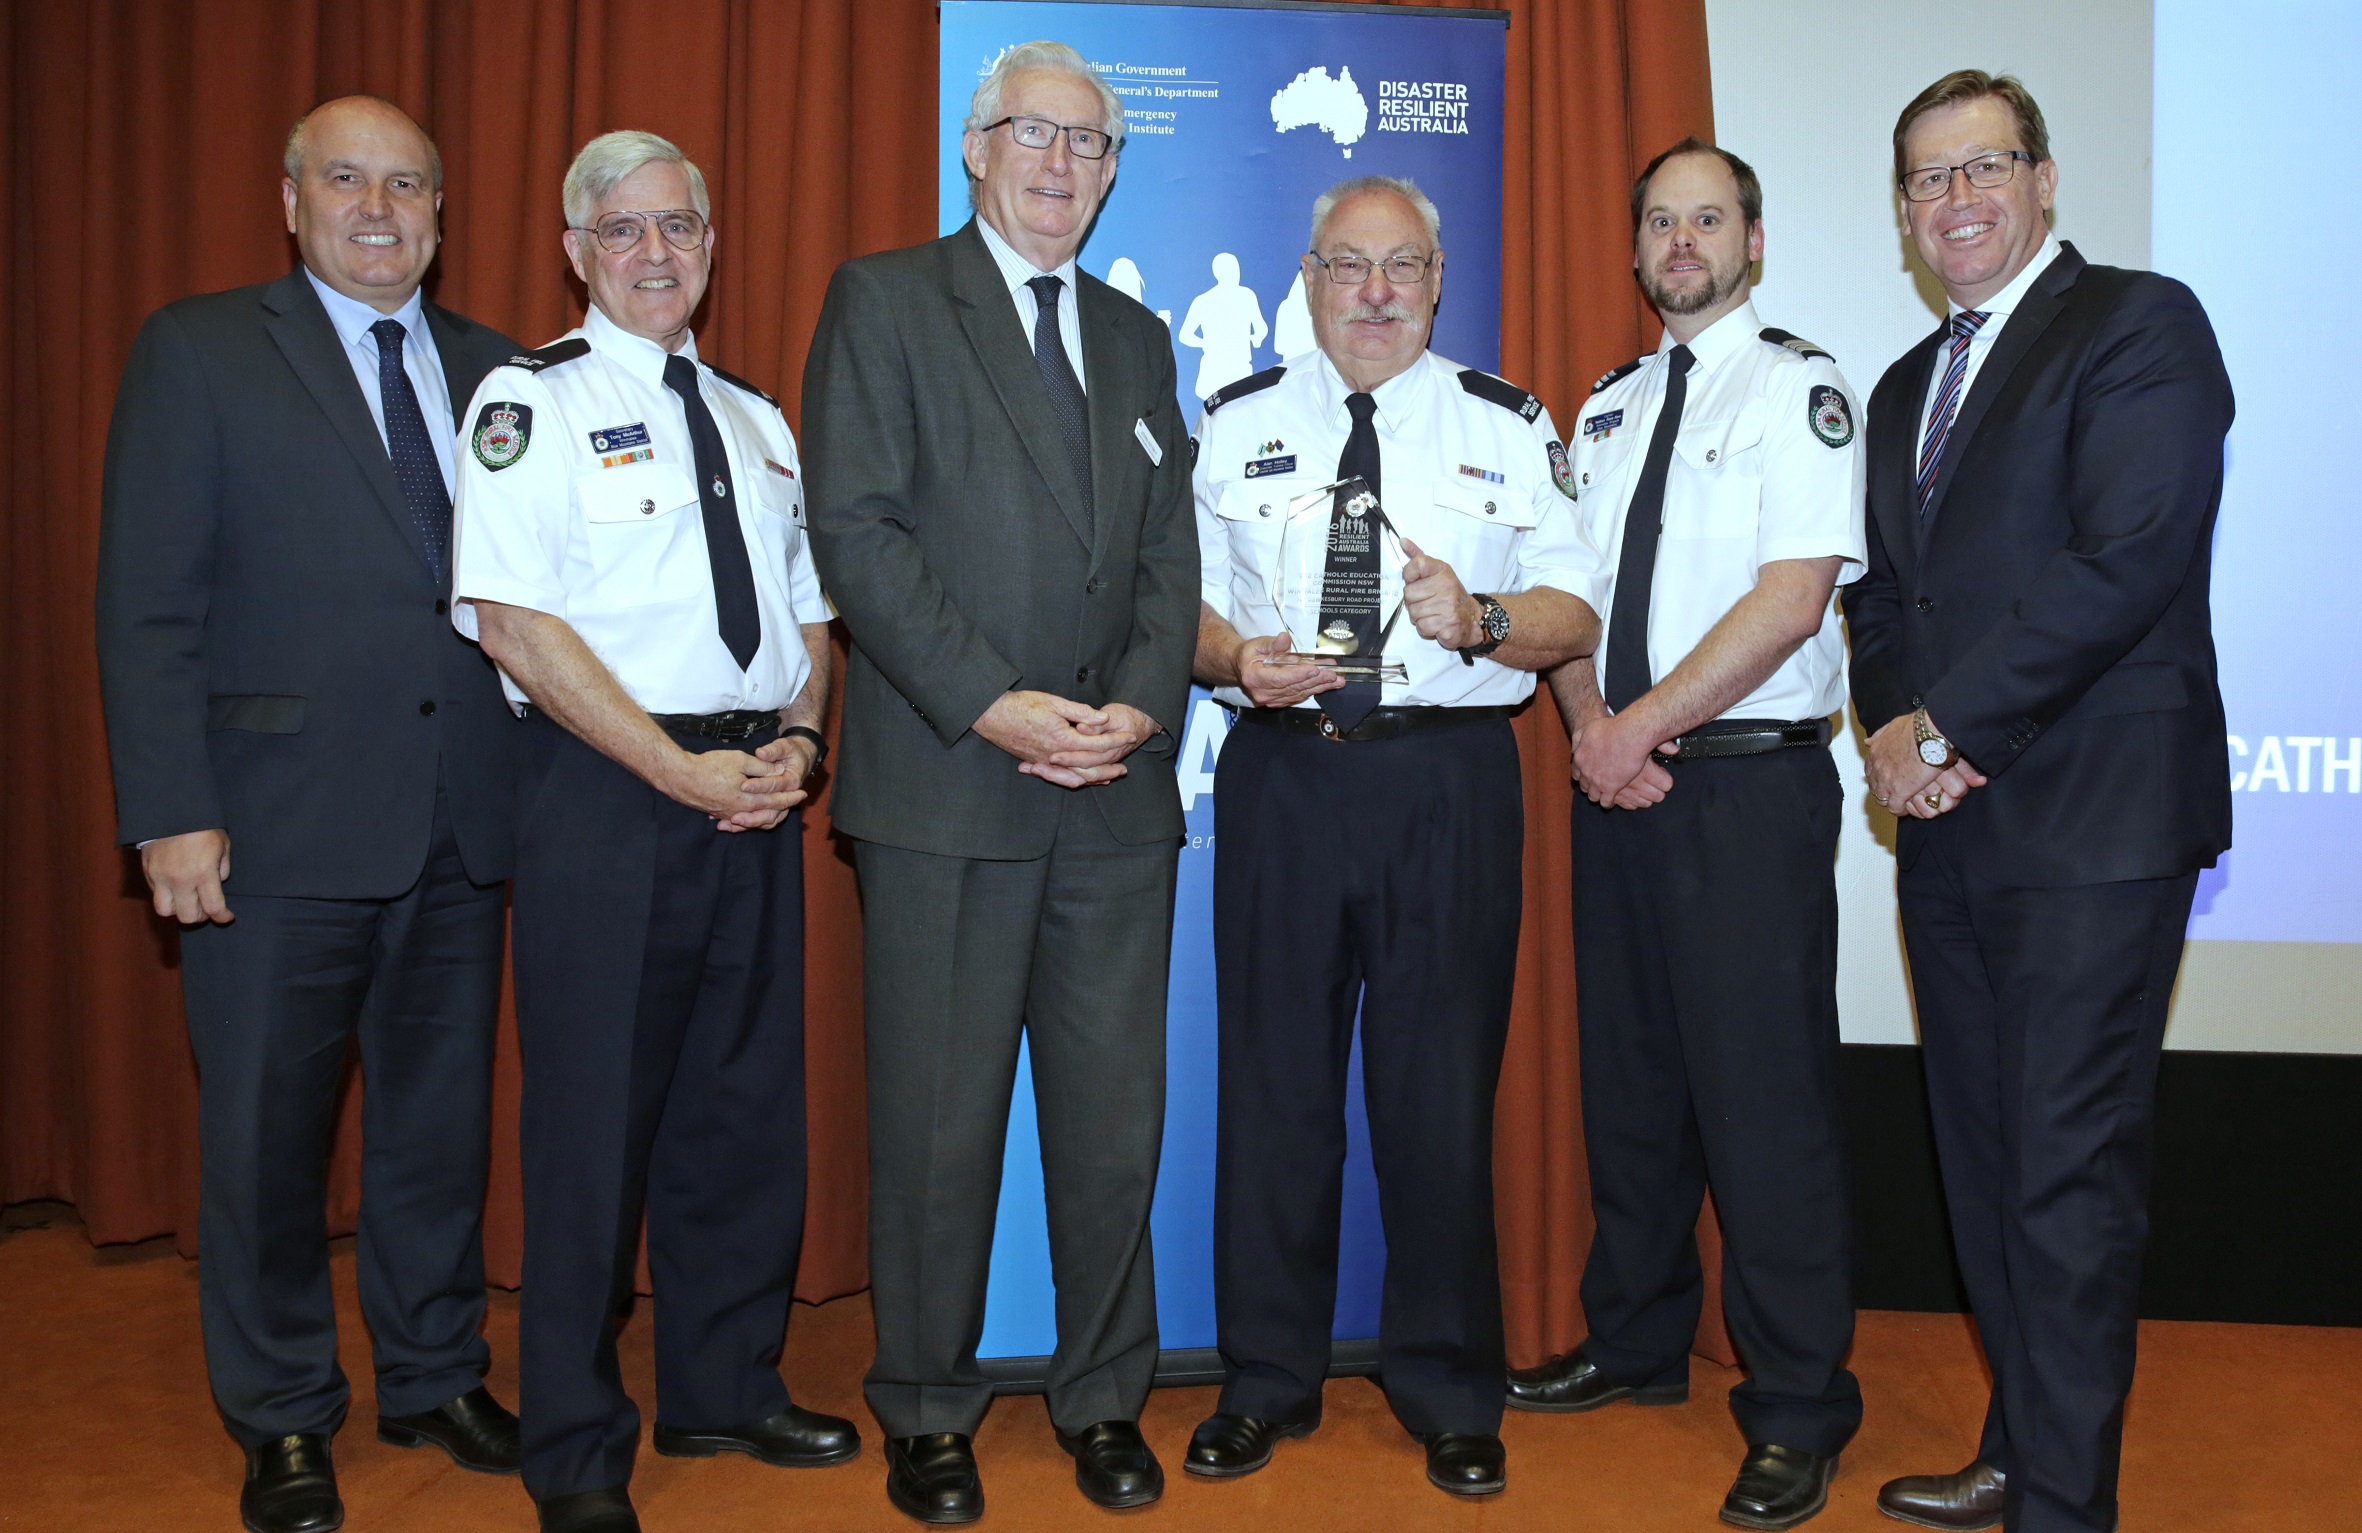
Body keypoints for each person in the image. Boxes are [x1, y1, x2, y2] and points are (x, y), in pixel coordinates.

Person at [94, 95, 523, 1533]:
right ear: (291, 200)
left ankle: (432, 1370)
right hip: (267, 834)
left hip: (462, 826)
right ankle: (281, 1412)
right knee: (266, 1144)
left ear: (442, 213)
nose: (380, 208)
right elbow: (146, 604)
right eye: (347, 179)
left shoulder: (499, 372)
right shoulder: (201, 349)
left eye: (409, 184)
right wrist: (168, 810)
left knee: (436, 1134)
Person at [800, 40, 1198, 1527]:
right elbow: (860, 536)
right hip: (947, 789)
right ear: (976, 145)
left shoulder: (1138, 336)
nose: (1061, 164)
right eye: (1033, 133)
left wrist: (1135, 707)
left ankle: (1103, 1394)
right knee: (935, 1124)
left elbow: (1170, 560)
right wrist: (995, 704)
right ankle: (924, 1404)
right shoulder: (887, 301)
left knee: (1110, 1127)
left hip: (1113, 794)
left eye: (1090, 144)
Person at [1846, 72, 2233, 1533]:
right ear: (1898, 215)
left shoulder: (2138, 324)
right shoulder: (1899, 390)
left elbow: (2126, 556)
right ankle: (2021, 1440)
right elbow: (1884, 597)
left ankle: (2063, 1506)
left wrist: (1950, 722)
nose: (1955, 201)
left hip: (2093, 828)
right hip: (1947, 827)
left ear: (2044, 181)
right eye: (1926, 182)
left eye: (1982, 168)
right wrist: (1897, 732)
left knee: (2067, 1176)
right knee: (1985, 1164)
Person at [450, 130, 853, 1533]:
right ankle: (573, 1446)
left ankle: (722, 1382)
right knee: (591, 1130)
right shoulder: (528, 402)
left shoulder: (755, 415)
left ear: (710, 243)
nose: (656, 251)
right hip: (606, 792)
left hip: (755, 790)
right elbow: (512, 619)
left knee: (741, 1111)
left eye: (680, 225)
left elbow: (808, 615)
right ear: (576, 251)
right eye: (623, 230)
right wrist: (674, 769)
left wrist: (801, 738)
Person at [1187, 174, 1600, 1500]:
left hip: (1447, 785)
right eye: (1348, 266)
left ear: (1436, 280)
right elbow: (1173, 610)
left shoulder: (1505, 421)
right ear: (1306, 276)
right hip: (1283, 780)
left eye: (1401, 267)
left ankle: (1445, 1384)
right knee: (1273, 1098)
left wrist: (1475, 613)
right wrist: (1233, 658)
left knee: (1436, 1100)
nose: (1374, 293)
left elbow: (1574, 615)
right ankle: (1263, 1379)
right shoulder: (1232, 421)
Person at [1513, 139, 1867, 1531]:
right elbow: (1558, 592)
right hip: (1620, 781)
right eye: (1658, 220)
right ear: (1635, 246)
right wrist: (1594, 727)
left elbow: (1790, 598)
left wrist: (1636, 726)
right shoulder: (1598, 410)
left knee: (1763, 1110)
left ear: (1753, 241)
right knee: (1632, 1088)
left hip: (1742, 793)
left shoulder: (1798, 389)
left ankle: (1794, 1404)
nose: (1680, 241)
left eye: (1705, 218)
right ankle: (1637, 1338)